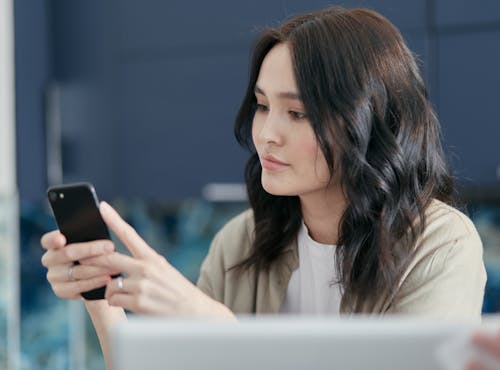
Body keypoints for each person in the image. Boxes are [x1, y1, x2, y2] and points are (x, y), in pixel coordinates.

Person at [41, 6, 487, 370]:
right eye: (261, 105)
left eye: (297, 113)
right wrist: (99, 294)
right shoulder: (239, 243)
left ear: (367, 121)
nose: (266, 134)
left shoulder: (441, 246)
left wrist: (216, 328)